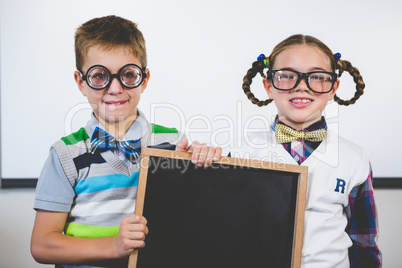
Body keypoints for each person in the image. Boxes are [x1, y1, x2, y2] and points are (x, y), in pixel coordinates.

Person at [30, 15, 221, 268]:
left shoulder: (174, 141)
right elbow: (42, 245)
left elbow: (196, 218)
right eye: (99, 76)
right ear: (80, 82)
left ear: (145, 78)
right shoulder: (65, 153)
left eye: (128, 74)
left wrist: (206, 165)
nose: (115, 88)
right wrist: (114, 245)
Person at [233, 34, 381, 267]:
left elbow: (364, 243)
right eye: (287, 76)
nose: (302, 86)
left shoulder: (355, 159)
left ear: (333, 88)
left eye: (317, 77)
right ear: (268, 86)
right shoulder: (239, 153)